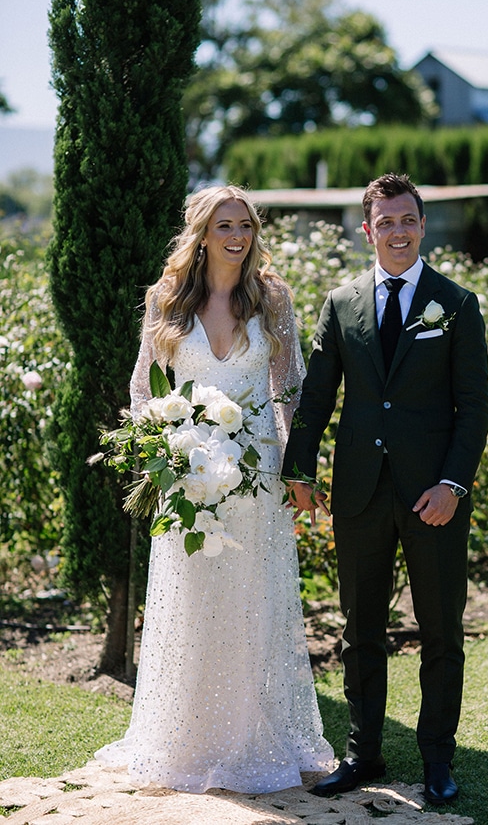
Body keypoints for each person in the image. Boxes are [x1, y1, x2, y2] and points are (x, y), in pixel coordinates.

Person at [96, 184, 333, 793]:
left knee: (256, 603)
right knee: (193, 604)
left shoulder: (272, 298)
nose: (236, 236)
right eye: (224, 225)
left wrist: (295, 468)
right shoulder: (167, 298)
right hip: (188, 482)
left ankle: (254, 734)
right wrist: (160, 457)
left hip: (256, 482)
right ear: (201, 234)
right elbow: (142, 389)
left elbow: (293, 389)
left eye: (245, 226)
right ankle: (186, 737)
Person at [282, 173, 488, 805]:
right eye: (386, 222)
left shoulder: (455, 304)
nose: (397, 232)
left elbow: (473, 408)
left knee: (441, 631)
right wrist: (300, 470)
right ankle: (362, 752)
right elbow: (317, 395)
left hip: (434, 499)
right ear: (368, 230)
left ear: (422, 226)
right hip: (361, 494)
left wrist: (453, 484)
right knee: (359, 630)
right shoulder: (341, 303)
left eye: (408, 220)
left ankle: (437, 761)